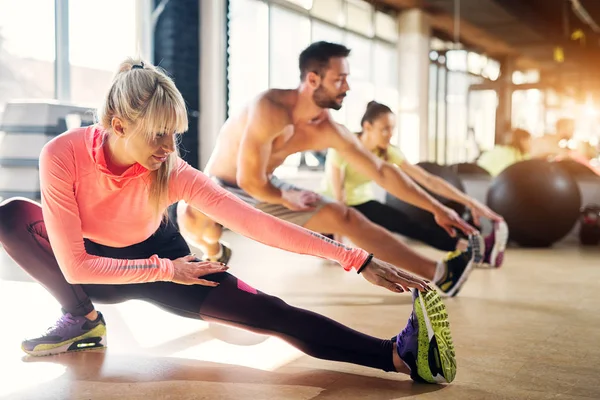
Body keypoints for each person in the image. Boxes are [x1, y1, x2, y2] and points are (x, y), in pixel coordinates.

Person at [0, 58, 458, 385]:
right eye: (157, 134)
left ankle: (399, 356)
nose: (168, 147)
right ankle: (81, 319)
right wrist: (166, 270)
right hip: (100, 268)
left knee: (271, 313)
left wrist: (354, 258)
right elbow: (77, 266)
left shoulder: (172, 171)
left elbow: (257, 222)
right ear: (118, 126)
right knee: (11, 217)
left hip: (167, 261)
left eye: (174, 133)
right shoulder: (62, 154)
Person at [174, 41, 483, 297]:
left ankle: (441, 274)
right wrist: (284, 198)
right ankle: (214, 251)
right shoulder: (270, 108)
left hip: (266, 184)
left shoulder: (326, 127)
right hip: (220, 185)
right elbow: (247, 180)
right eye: (339, 79)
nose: (346, 87)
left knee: (345, 216)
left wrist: (436, 208)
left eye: (346, 78)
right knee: (197, 224)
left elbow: (383, 171)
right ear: (312, 80)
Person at [322, 101, 508, 268]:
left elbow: (427, 179)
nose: (390, 134)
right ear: (367, 127)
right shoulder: (342, 147)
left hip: (363, 202)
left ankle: (474, 251)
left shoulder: (388, 152)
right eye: (384, 129)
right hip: (329, 206)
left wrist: (469, 201)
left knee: (408, 224)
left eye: (392, 128)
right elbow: (340, 197)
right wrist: (340, 247)